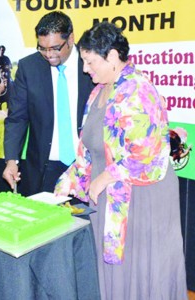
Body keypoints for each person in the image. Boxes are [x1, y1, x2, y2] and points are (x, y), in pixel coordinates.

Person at [55, 21, 188, 299]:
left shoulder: (138, 89)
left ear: (113, 57)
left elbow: (148, 152)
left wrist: (105, 177)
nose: (84, 69)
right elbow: (90, 149)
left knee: (139, 270)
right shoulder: (98, 91)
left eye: (90, 62)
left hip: (143, 199)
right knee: (114, 275)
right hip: (110, 195)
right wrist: (65, 184)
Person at [3, 11, 94, 197]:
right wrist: (11, 160)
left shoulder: (92, 63)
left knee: (85, 223)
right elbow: (17, 117)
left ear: (70, 38)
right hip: (45, 167)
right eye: (42, 48)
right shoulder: (29, 68)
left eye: (55, 48)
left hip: (86, 166)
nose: (48, 54)